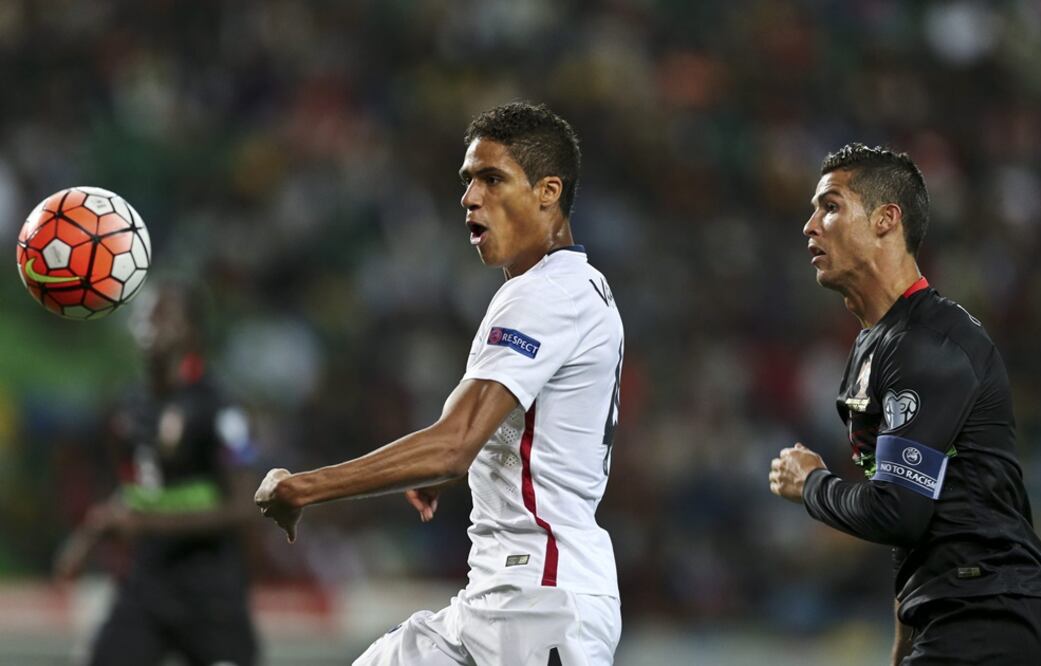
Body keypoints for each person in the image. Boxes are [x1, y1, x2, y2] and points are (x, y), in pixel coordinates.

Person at [255, 102, 624, 666]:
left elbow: (453, 445)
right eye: (468, 181)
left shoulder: (546, 294)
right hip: (494, 598)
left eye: (492, 179)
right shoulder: (566, 287)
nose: (470, 197)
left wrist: (304, 487)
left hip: (541, 599)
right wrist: (459, 465)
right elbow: (503, 436)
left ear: (548, 192)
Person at [768, 143, 1041, 664]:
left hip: (990, 617)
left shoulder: (929, 346)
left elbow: (898, 511)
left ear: (887, 219)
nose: (811, 225)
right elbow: (922, 515)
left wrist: (811, 485)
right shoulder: (878, 344)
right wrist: (905, 641)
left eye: (831, 206)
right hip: (962, 614)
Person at [55, 282, 260, 666]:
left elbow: (244, 506)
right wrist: (89, 536)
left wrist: (149, 523)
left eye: (163, 315)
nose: (150, 324)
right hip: (148, 586)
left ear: (192, 332)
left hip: (211, 594)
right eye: (144, 315)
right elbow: (137, 489)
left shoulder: (223, 409)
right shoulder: (129, 406)